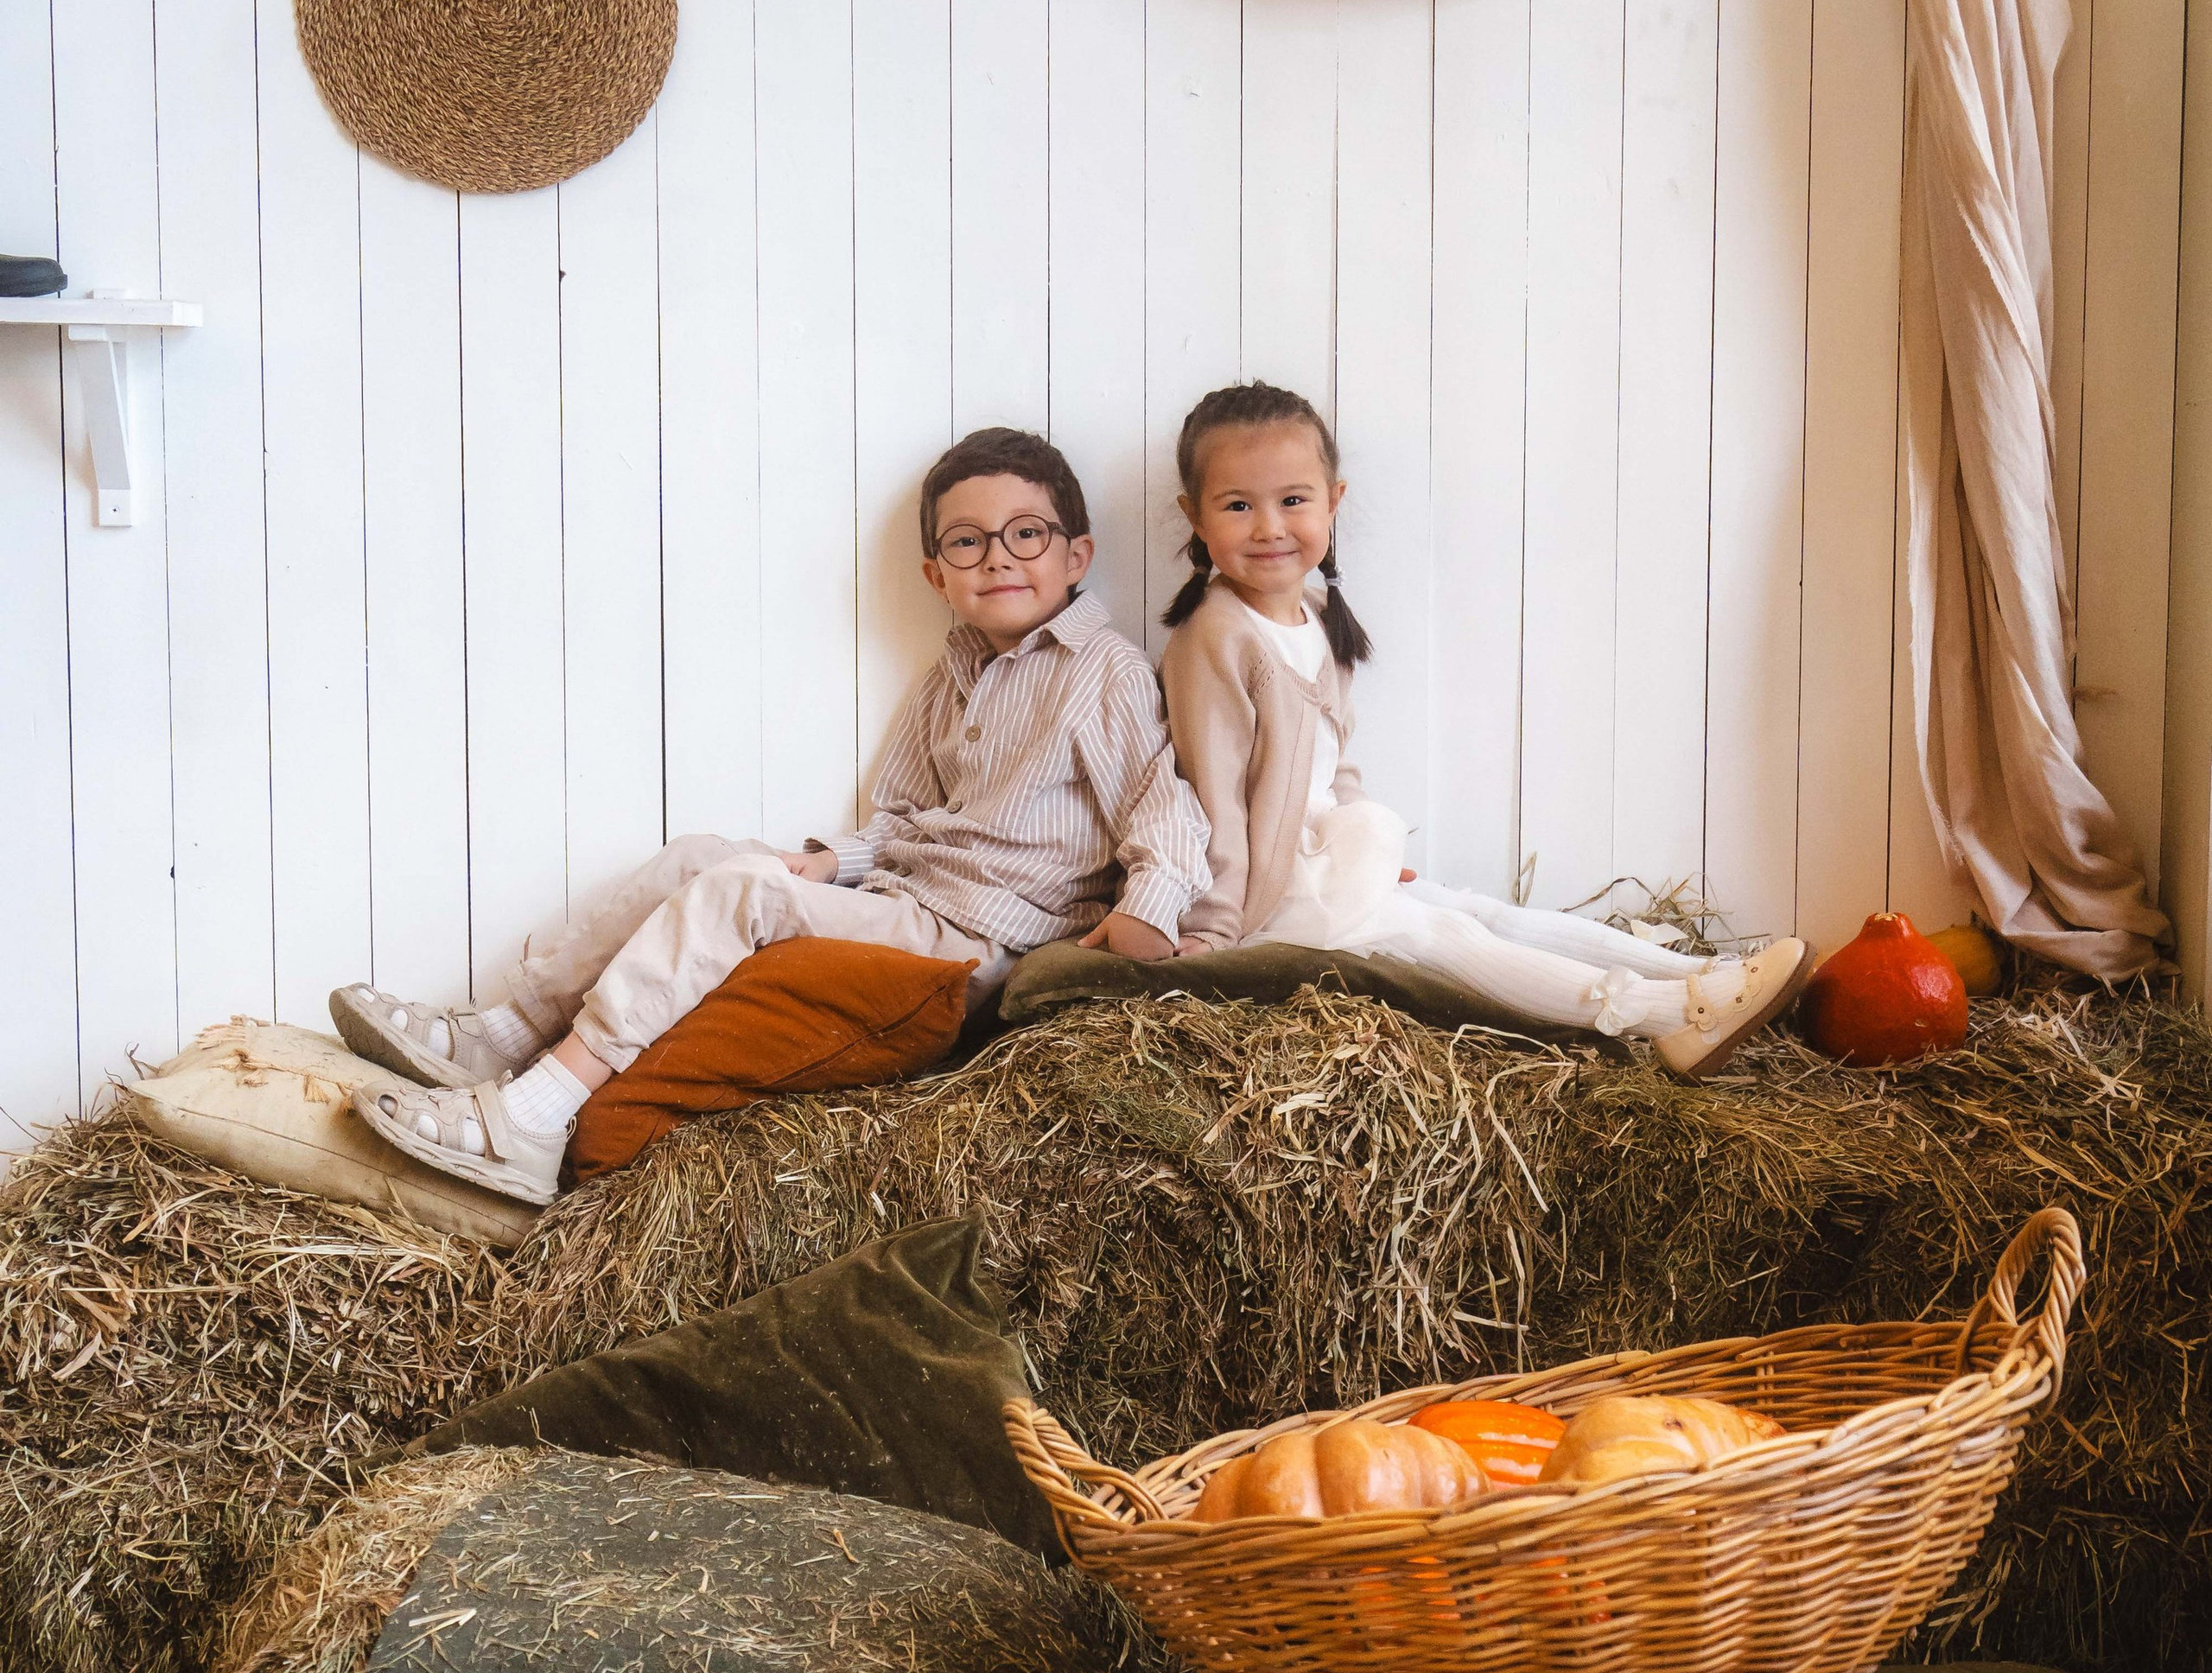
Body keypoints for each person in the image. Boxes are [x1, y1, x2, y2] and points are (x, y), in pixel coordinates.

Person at [335, 429, 1211, 1205]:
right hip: (908, 901)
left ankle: (540, 1112)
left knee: (742, 894)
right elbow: (904, 816)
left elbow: (1162, 803)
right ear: (934, 575)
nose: (998, 558)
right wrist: (835, 864)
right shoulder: (955, 672)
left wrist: (1144, 913)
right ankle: (508, 1032)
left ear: (1076, 555)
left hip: (976, 941)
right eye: (967, 543)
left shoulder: (1102, 671)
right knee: (702, 856)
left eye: (1026, 535)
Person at [1158, 381, 1812, 1077]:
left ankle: (1701, 974)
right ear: (1195, 517)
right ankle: (1676, 1017)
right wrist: (1216, 929)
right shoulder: (1215, 638)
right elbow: (1212, 797)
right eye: (1238, 506)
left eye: (1293, 500)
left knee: (1478, 910)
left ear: (1333, 502)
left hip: (1323, 860)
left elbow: (1332, 762)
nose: (1269, 527)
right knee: (1444, 934)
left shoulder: (1316, 614)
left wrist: (1364, 845)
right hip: (1274, 891)